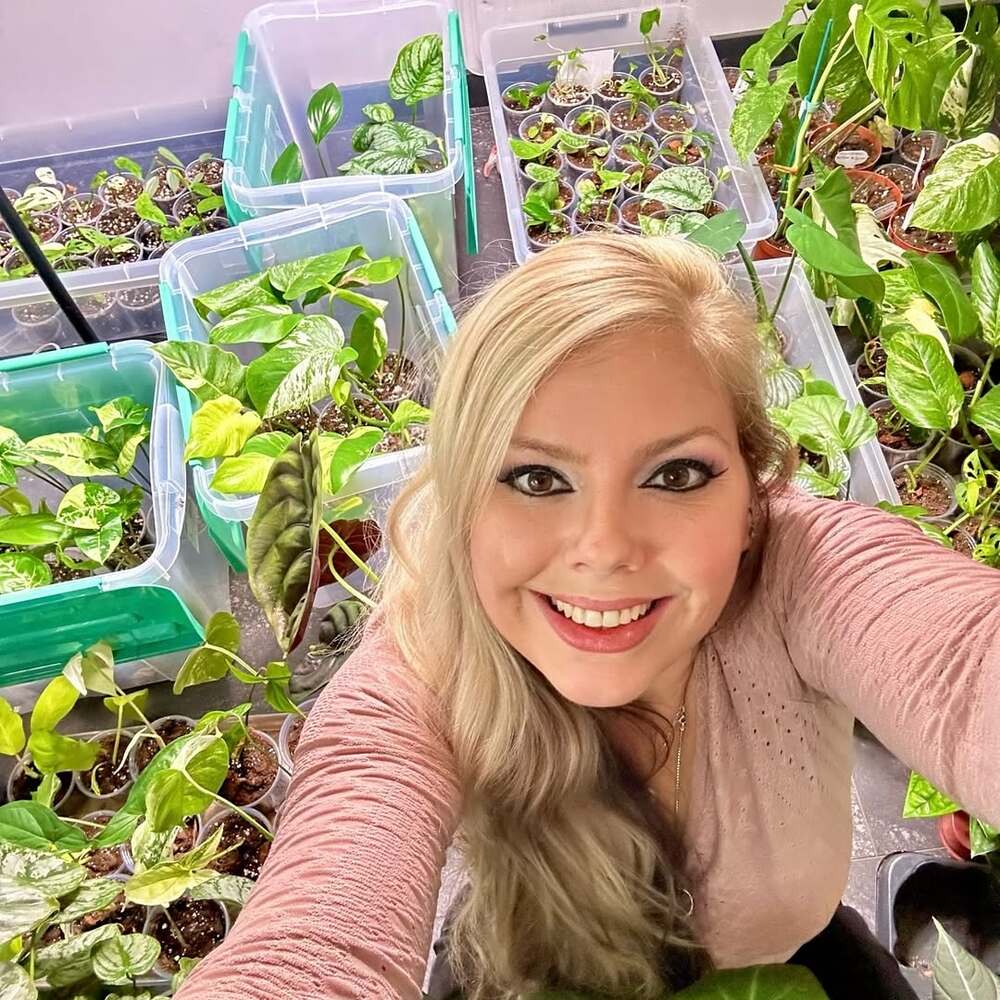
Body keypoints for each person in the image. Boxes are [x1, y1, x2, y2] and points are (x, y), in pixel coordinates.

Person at [178, 235, 1000, 1000]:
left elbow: (963, 667)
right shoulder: (426, 666)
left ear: (755, 494)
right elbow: (322, 932)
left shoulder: (803, 576)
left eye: (676, 474)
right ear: (463, 505)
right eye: (536, 479)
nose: (604, 549)